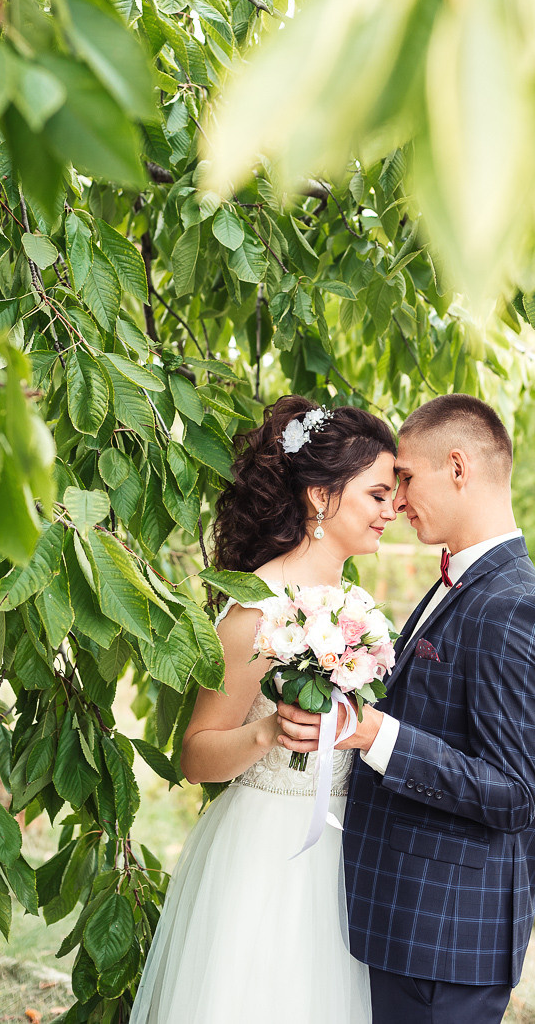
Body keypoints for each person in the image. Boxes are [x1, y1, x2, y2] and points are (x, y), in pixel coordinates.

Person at [278, 393, 535, 1024]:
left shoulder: (517, 606)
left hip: (447, 940)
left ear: (458, 467)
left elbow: (515, 793)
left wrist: (376, 734)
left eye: (407, 478)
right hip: (403, 925)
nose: (399, 500)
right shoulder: (457, 584)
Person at [129, 395, 398, 1024]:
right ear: (321, 497)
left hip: (343, 848)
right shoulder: (258, 608)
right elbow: (195, 755)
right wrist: (269, 733)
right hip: (265, 851)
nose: (392, 511)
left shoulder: (358, 607)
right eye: (377, 495)